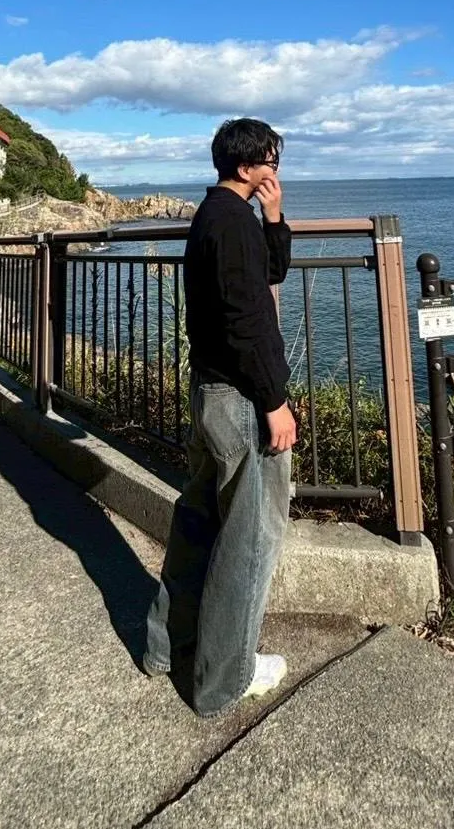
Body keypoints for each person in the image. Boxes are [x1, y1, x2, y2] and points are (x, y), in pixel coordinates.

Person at [144, 117, 297, 718]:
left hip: (212, 393)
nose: (275, 170)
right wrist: (275, 402)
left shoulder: (221, 216)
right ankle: (224, 679)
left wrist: (275, 218)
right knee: (250, 540)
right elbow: (247, 321)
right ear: (245, 165)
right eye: (271, 161)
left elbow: (269, 275)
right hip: (239, 400)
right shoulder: (231, 224)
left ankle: (165, 646)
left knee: (199, 524)